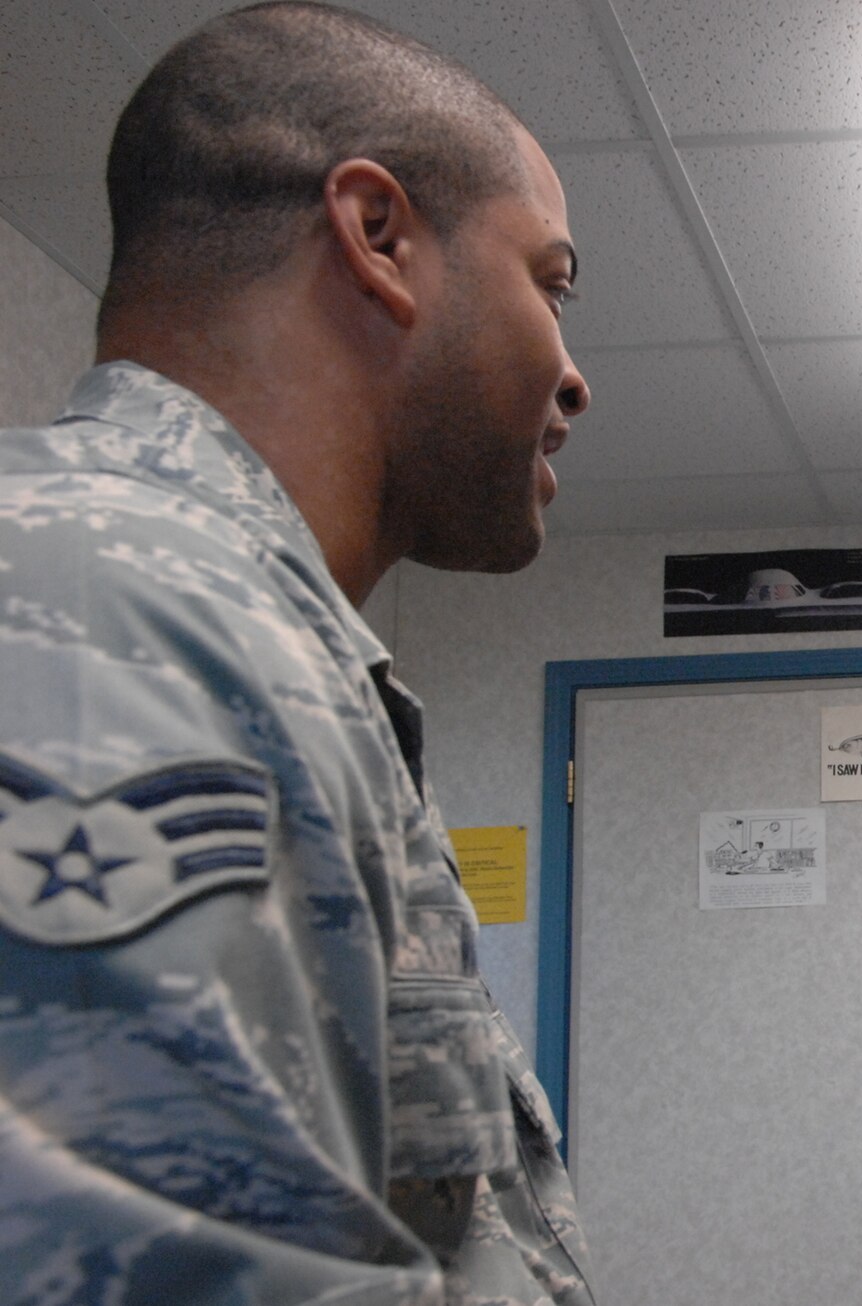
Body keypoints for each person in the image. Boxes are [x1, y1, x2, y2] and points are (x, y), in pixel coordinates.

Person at [0, 4, 594, 1301]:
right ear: (377, 235)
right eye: (548, 284)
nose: (573, 374)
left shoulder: (247, 630)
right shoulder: (111, 606)